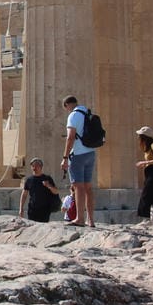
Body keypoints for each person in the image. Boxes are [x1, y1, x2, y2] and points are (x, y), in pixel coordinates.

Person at [60, 95, 99, 227]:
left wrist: (65, 157)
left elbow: (70, 138)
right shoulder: (88, 113)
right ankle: (91, 219)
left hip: (78, 155)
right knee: (88, 187)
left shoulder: (73, 115)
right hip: (91, 153)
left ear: (67, 105)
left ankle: (80, 218)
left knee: (78, 187)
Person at [19, 158, 59, 223]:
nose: (34, 167)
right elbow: (24, 195)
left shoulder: (47, 178)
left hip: (44, 210)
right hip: (32, 209)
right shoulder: (29, 180)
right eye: (33, 166)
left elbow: (56, 191)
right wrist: (21, 208)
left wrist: (49, 186)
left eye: (36, 165)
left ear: (41, 167)